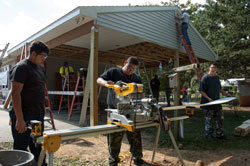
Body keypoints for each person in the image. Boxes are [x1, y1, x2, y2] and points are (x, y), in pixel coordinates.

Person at [97, 56, 147, 166]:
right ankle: (113, 161)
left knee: (135, 135)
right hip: (114, 111)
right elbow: (99, 79)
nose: (130, 70)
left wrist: (143, 102)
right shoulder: (114, 71)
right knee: (115, 137)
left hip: (131, 111)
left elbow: (141, 92)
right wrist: (106, 83)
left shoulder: (136, 78)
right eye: (129, 67)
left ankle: (137, 158)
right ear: (125, 63)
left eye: (133, 69)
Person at [9, 41, 50, 166]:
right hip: (25, 116)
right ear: (33, 53)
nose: (44, 59)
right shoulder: (21, 68)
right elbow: (15, 94)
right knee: (21, 149)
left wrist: (41, 112)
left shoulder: (40, 68)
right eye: (42, 56)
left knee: (38, 146)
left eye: (45, 56)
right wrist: (19, 119)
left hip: (37, 115)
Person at [199, 62, 231, 141]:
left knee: (220, 119)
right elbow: (201, 91)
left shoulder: (216, 78)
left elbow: (219, 89)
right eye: (212, 67)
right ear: (209, 68)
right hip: (207, 103)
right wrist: (208, 98)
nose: (213, 69)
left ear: (216, 69)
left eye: (215, 68)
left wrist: (226, 94)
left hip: (217, 103)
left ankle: (219, 135)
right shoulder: (205, 78)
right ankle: (209, 135)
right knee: (209, 120)